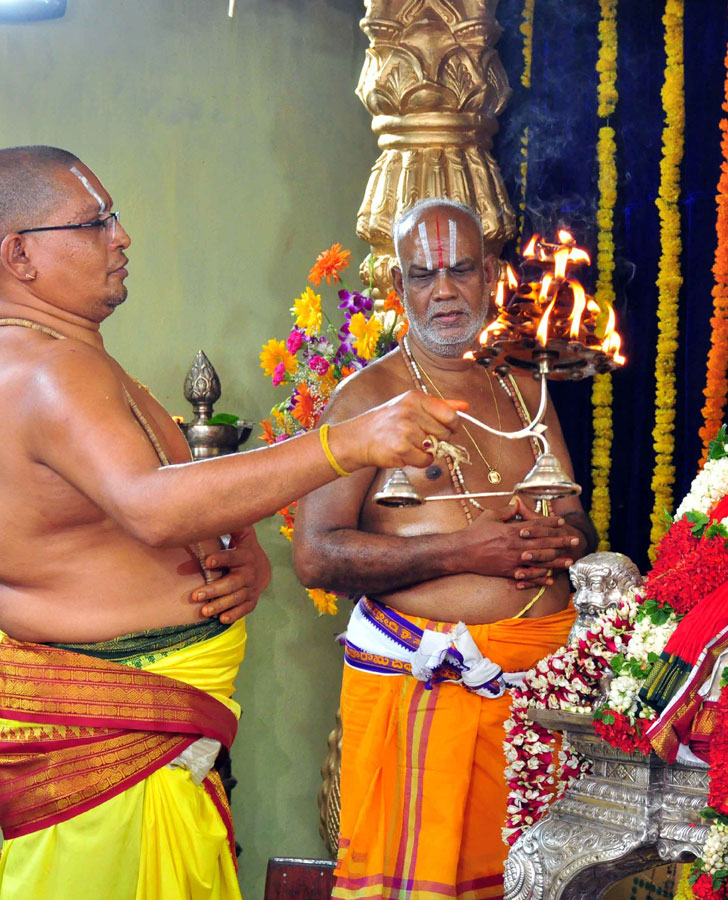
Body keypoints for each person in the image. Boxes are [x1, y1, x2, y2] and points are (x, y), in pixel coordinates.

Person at [0, 146, 463, 900]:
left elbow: (154, 498)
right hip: (104, 755)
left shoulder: (67, 357)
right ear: (20, 254)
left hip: (145, 743)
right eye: (96, 222)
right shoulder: (50, 369)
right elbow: (150, 505)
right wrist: (346, 442)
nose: (121, 238)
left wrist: (236, 546)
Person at [292, 198, 597, 900]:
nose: (445, 291)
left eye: (461, 270)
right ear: (399, 289)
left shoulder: (526, 393)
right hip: (427, 687)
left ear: (491, 276)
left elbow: (579, 524)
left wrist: (561, 539)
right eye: (424, 275)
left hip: (538, 693)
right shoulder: (364, 401)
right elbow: (318, 556)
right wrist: (466, 552)